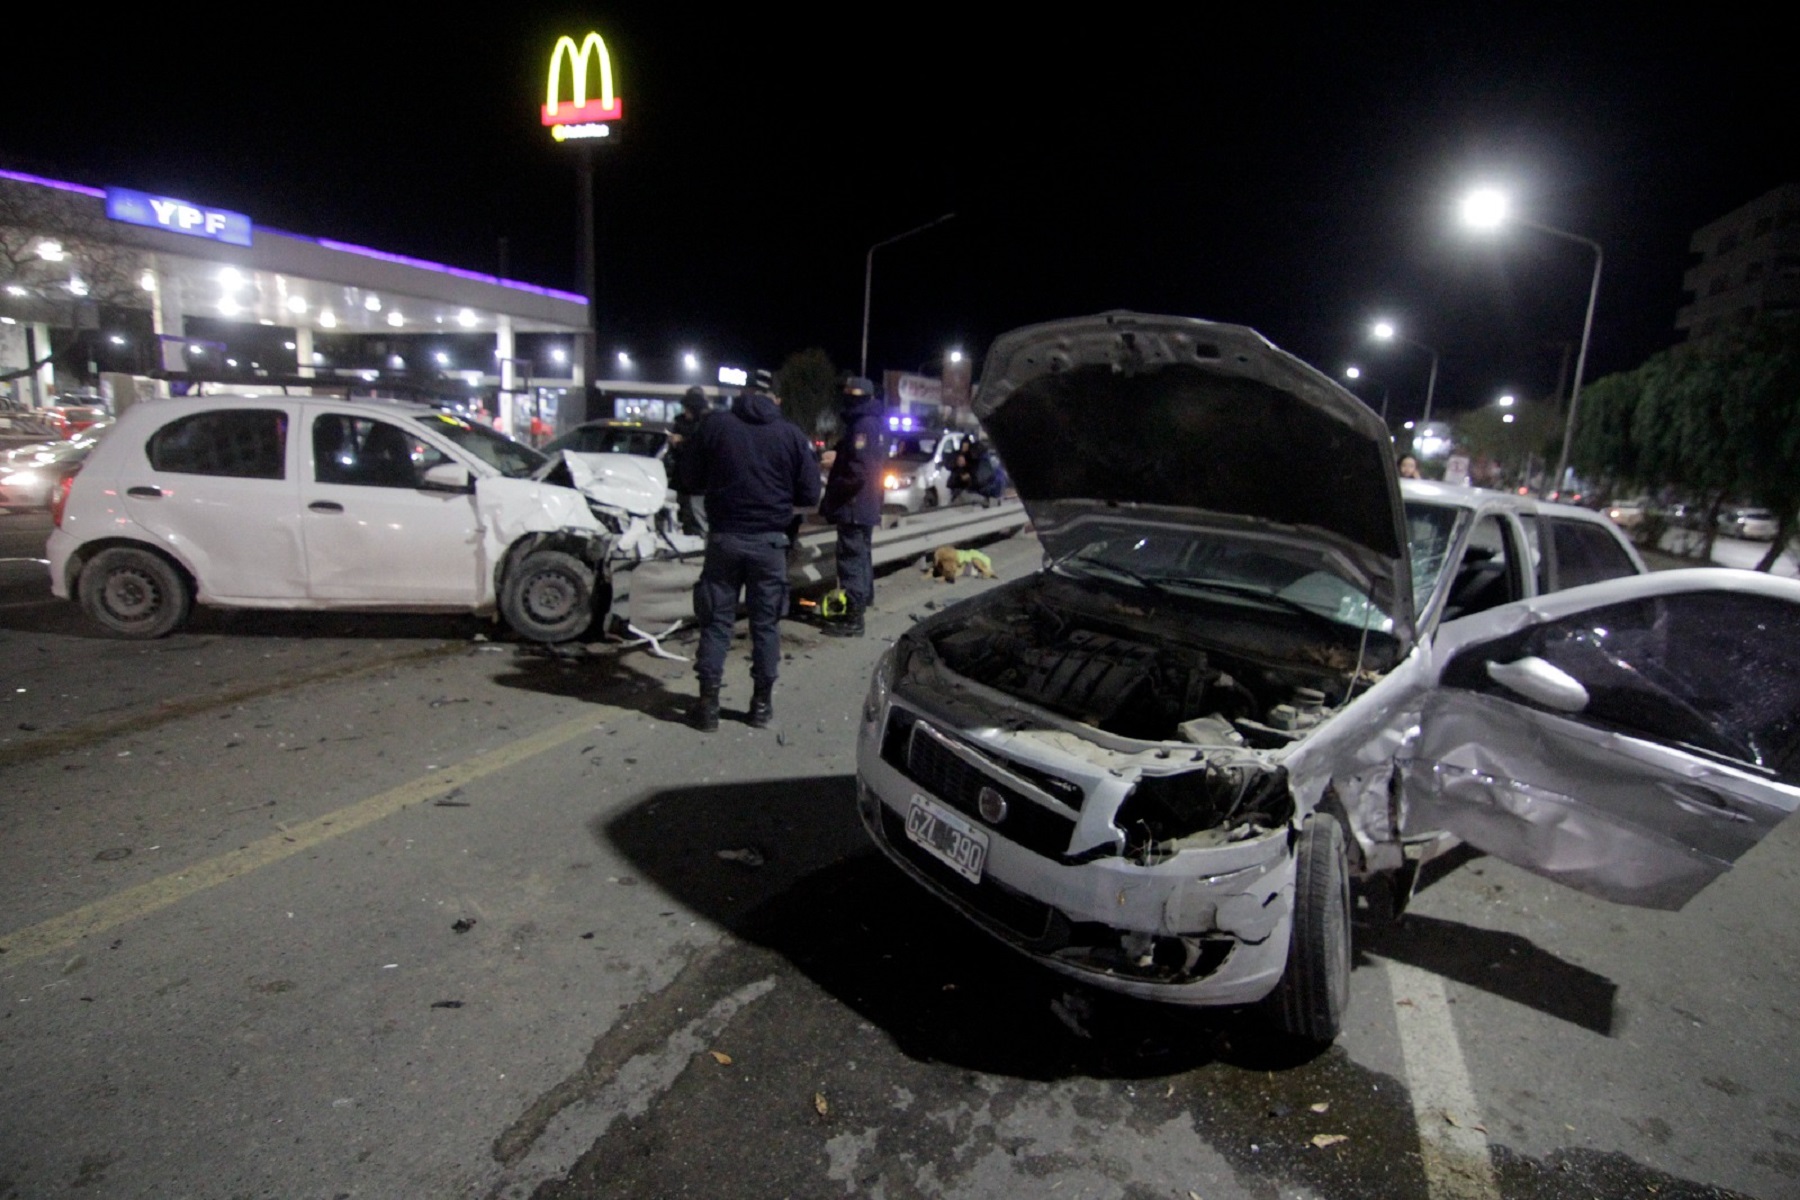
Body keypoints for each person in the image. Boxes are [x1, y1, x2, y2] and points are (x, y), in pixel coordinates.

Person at [680, 369, 821, 731]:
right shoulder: (791, 435)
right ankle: (760, 707)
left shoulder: (716, 426)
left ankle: (708, 708)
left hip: (724, 539)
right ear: (776, 398)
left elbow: (689, 478)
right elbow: (809, 495)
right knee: (766, 626)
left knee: (716, 624)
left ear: (744, 393)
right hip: (770, 544)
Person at [817, 375, 886, 637]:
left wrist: (834, 494)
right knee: (861, 555)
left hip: (855, 505)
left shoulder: (862, 425)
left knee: (851, 560)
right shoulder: (872, 423)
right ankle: (863, 602)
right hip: (866, 504)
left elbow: (856, 473)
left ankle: (853, 618)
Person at [668, 386, 710, 536]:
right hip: (686, 482)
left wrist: (681, 442)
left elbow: (698, 449)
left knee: (697, 521)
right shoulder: (680, 423)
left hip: (699, 484)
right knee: (688, 518)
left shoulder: (706, 425)